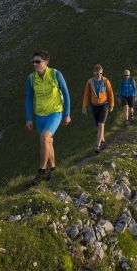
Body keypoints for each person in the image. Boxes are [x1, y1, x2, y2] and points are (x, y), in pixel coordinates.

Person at [25, 50, 71, 185]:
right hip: (39, 116)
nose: (35, 64)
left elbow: (66, 94)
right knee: (48, 142)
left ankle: (41, 172)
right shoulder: (31, 78)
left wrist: (67, 114)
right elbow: (28, 99)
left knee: (44, 138)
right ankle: (53, 169)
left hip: (55, 113)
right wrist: (29, 118)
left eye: (38, 61)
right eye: (33, 61)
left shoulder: (56, 74)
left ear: (46, 62)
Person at [81, 64, 114, 154]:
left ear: (102, 73)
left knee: (101, 125)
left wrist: (111, 104)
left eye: (100, 73)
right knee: (98, 125)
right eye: (96, 73)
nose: (98, 75)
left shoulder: (106, 81)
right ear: (93, 73)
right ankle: (102, 141)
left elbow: (110, 93)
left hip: (104, 105)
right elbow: (86, 95)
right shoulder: (89, 82)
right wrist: (84, 107)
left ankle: (97, 146)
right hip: (94, 106)